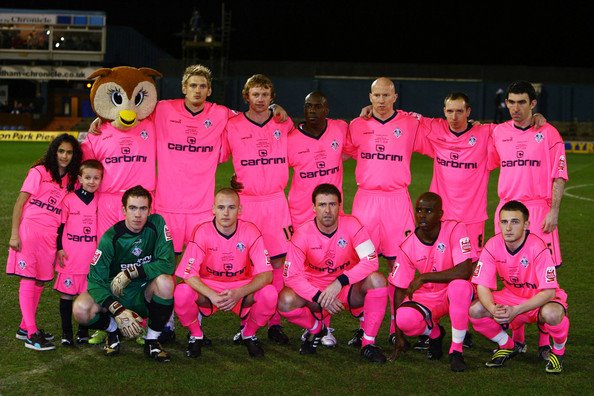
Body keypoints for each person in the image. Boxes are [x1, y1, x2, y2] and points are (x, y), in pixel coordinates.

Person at [345, 77, 424, 342]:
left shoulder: (411, 123)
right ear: (369, 97)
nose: (380, 101)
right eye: (376, 96)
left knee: (398, 263)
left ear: (395, 97)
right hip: (366, 200)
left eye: (385, 96)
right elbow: (338, 152)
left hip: (396, 201)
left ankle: (395, 326)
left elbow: (443, 128)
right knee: (363, 262)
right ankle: (364, 325)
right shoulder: (357, 125)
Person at [489, 81, 567, 350]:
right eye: (511, 102)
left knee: (544, 277)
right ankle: (517, 338)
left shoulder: (548, 132)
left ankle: (545, 341)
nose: (515, 108)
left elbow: (559, 175)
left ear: (533, 104)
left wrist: (554, 211)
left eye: (522, 102)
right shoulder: (498, 132)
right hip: (507, 211)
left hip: (538, 211)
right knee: (510, 275)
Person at [278, 183, 389, 363]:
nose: (327, 210)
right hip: (315, 291)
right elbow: (291, 276)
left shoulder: (353, 225)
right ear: (314, 207)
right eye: (322, 205)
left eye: (332, 204)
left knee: (377, 280)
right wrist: (319, 296)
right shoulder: (302, 234)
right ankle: (316, 329)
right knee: (285, 301)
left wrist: (340, 282)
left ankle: (368, 343)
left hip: (346, 288)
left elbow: (371, 261)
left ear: (339, 206)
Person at [222, 74, 293, 344]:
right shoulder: (233, 125)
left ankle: (274, 322)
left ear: (271, 97)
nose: (260, 99)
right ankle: (247, 320)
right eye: (256, 94)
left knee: (277, 261)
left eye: (265, 94)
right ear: (246, 97)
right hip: (248, 203)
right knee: (248, 262)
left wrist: (280, 112)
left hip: (276, 202)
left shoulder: (282, 123)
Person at [72, 185, 176, 362]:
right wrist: (117, 309)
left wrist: (132, 272)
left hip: (144, 292)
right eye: (133, 208)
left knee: (166, 282)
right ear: (124, 210)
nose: (138, 214)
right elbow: (95, 280)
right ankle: (113, 331)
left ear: (150, 210)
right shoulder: (111, 238)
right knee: (80, 309)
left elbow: (168, 263)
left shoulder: (157, 224)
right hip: (117, 294)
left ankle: (152, 340)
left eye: (143, 208)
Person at [173, 188, 277, 358]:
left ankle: (248, 333)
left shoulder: (250, 231)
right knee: (181, 292)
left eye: (231, 207)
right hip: (210, 286)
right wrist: (212, 295)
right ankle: (196, 335)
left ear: (240, 210)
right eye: (221, 208)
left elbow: (267, 275)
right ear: (213, 209)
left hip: (240, 287)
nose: (226, 213)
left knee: (270, 293)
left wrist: (239, 293)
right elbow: (188, 273)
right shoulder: (202, 231)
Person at [469, 201, 569, 373]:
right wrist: (493, 309)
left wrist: (516, 310)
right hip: (512, 295)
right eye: (504, 222)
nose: (508, 228)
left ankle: (558, 351)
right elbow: (482, 285)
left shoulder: (538, 247)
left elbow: (549, 291)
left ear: (526, 224)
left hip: (540, 297)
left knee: (552, 313)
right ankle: (508, 344)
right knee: (475, 310)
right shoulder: (492, 245)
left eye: (515, 222)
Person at [6, 133, 82, 351]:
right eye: (61, 151)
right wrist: (14, 233)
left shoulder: (72, 180)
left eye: (69, 152)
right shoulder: (39, 171)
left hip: (50, 236)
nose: (65, 156)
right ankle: (31, 334)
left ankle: (24, 327)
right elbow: (20, 203)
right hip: (30, 231)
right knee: (29, 279)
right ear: (53, 151)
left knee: (40, 280)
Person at [388, 192, 477, 371]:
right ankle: (435, 334)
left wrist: (424, 276)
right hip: (428, 295)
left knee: (459, 286)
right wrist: (398, 335)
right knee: (405, 319)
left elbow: (465, 270)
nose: (422, 215)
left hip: (455, 292)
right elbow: (399, 289)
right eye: (419, 210)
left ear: (440, 214)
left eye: (428, 211)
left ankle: (456, 352)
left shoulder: (455, 229)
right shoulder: (407, 244)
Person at [54, 159, 103, 346]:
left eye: (96, 178)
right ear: (80, 179)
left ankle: (83, 331)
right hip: (70, 256)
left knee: (87, 295)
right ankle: (67, 334)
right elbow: (60, 227)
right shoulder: (69, 199)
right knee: (66, 296)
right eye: (88, 177)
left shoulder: (101, 200)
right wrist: (59, 248)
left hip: (90, 258)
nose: (92, 181)